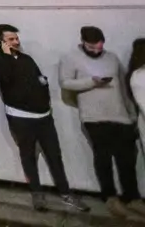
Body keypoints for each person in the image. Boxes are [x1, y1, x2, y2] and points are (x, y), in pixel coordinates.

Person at [0, 24, 87, 212]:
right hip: (20, 117)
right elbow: (7, 79)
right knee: (28, 155)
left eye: (16, 38)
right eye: (11, 39)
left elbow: (40, 80)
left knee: (54, 154)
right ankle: (37, 194)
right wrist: (7, 56)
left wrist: (44, 96)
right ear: (1, 42)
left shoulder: (26, 59)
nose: (16, 41)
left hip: (43, 116)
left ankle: (65, 193)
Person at [59, 26, 141, 218]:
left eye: (100, 46)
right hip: (93, 117)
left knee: (127, 159)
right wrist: (92, 82)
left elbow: (123, 86)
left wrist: (132, 114)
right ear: (83, 42)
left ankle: (132, 197)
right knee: (104, 157)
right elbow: (65, 82)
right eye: (92, 47)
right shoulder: (70, 58)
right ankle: (110, 198)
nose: (97, 51)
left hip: (120, 115)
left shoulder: (112, 58)